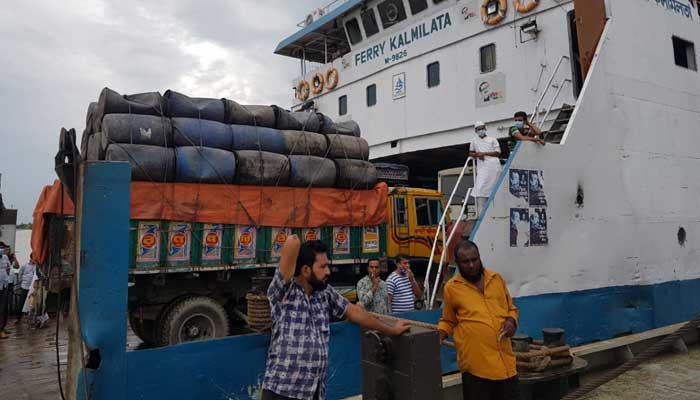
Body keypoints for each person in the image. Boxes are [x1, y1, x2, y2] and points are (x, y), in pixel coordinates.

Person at [262, 236, 410, 400]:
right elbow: (293, 242)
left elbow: (354, 312)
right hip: (282, 393)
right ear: (305, 270)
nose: (328, 272)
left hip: (313, 393)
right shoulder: (283, 292)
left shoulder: (325, 293)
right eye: (323, 266)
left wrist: (391, 329)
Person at [438, 239, 519, 400]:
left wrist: (511, 321)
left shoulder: (496, 280)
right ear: (458, 263)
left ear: (479, 257)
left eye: (474, 259)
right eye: (465, 262)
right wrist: (440, 334)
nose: (471, 265)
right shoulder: (452, 288)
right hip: (476, 367)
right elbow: (448, 320)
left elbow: (512, 309)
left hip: (506, 365)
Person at [470, 121, 502, 214]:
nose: (481, 130)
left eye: (482, 128)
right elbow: (470, 152)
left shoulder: (493, 139)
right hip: (483, 167)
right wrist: (477, 155)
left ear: (485, 128)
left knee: (495, 188)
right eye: (479, 129)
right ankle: (481, 215)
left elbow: (498, 152)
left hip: (494, 166)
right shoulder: (474, 141)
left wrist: (484, 153)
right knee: (480, 189)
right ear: (476, 131)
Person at [15, 254, 37, 324]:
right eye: (34, 258)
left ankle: (30, 318)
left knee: (31, 303)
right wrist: (22, 282)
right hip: (24, 286)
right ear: (31, 258)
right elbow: (20, 275)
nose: (35, 260)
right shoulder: (24, 266)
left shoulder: (36, 267)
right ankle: (18, 318)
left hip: (32, 288)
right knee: (21, 302)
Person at [0, 247, 11, 338]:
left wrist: (6, 278)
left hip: (4, 285)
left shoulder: (5, 257)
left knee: (3, 308)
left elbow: (8, 268)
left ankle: (2, 328)